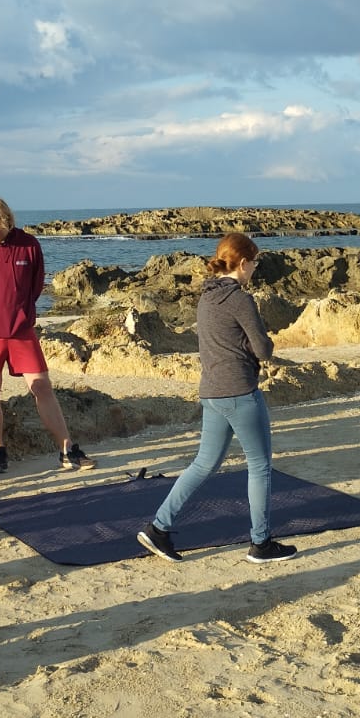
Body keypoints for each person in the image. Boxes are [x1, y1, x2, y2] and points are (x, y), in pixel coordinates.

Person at [137, 233, 298, 565]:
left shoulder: (207, 297)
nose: (255, 269)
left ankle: (158, 527)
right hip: (240, 392)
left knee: (203, 464)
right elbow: (263, 349)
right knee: (260, 467)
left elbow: (221, 341)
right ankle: (261, 543)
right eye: (255, 263)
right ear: (243, 263)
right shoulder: (240, 299)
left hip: (211, 392)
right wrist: (260, 344)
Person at [0, 198, 91, 474]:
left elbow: (36, 285)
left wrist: (20, 312)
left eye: (1, 227)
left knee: (42, 387)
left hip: (21, 330)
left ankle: (67, 449)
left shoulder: (29, 245)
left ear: (10, 222)